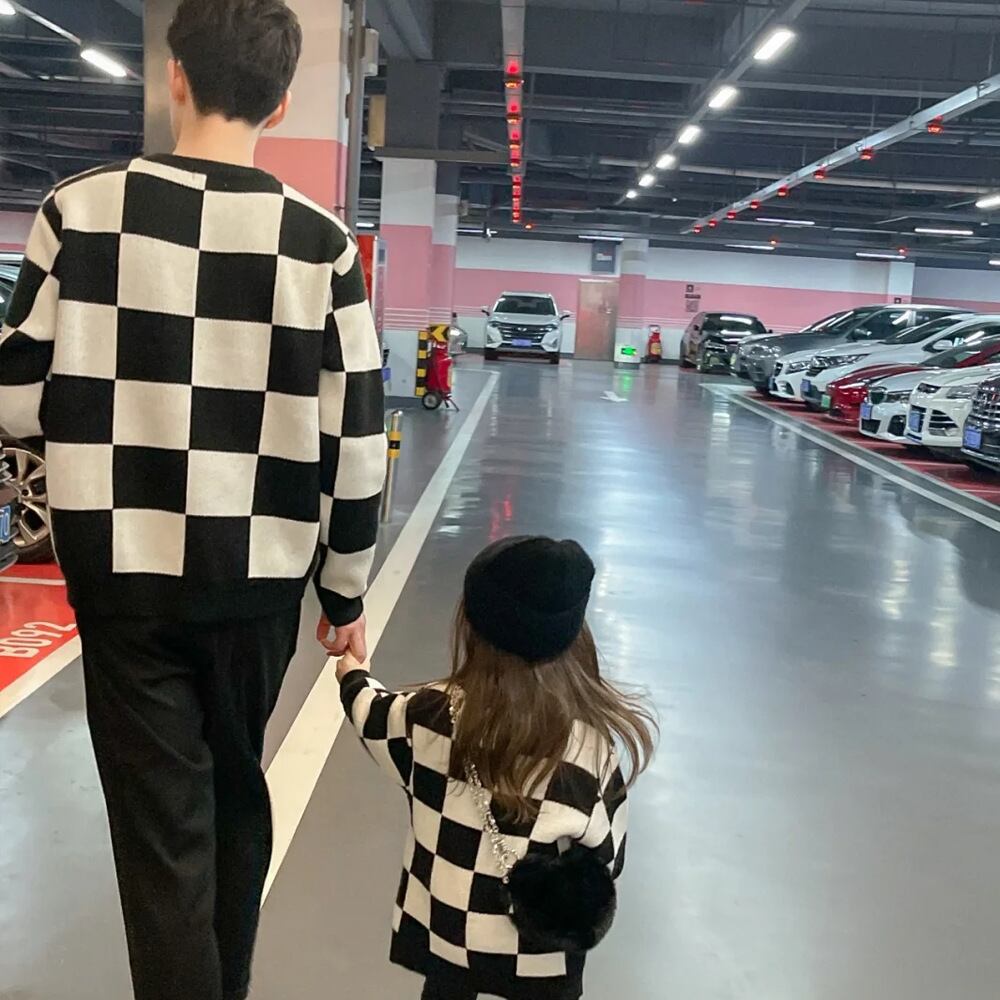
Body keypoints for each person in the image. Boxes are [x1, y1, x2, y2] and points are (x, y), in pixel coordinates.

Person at [0, 1, 385, 998]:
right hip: (258, 583)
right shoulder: (321, 244)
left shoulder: (79, 211)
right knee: (235, 802)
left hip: (121, 579)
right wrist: (344, 590)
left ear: (173, 74)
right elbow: (355, 436)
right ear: (282, 100)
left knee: (159, 830)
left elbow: (13, 399)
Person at [334, 537, 656, 999]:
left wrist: (351, 673)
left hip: (447, 936)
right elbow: (609, 856)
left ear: (472, 625)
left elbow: (371, 714)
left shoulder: (428, 716)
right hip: (538, 953)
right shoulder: (590, 751)